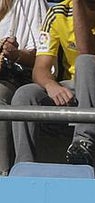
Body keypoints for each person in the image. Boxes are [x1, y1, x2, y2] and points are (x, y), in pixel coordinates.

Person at [10, 0, 95, 168]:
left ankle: (83, 142)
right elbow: (40, 68)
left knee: (85, 61)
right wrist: (51, 85)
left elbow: (87, 49)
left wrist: (78, 5)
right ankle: (24, 166)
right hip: (76, 86)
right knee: (25, 94)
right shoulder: (58, 13)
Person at [0, 0, 46, 174]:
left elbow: (42, 56)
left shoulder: (30, 2)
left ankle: (2, 175)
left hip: (13, 76)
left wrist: (16, 54)